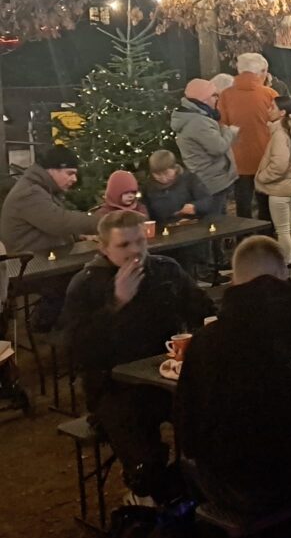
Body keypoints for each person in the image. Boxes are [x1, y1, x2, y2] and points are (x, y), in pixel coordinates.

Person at [177, 235, 291, 515]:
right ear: (284, 274)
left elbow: (189, 431)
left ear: (234, 280)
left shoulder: (209, 342)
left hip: (243, 485)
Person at [61, 210, 212, 504]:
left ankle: (203, 493)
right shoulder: (86, 285)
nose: (135, 252)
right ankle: (146, 494)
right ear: (104, 248)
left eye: (140, 242)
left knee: (212, 426)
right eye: (124, 245)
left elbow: (202, 309)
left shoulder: (165, 271)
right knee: (147, 463)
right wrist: (116, 303)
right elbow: (77, 349)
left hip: (165, 378)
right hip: (114, 387)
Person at [0, 145, 97, 253]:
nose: (74, 179)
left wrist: (78, 235)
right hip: (31, 261)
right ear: (51, 170)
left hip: (43, 256)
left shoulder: (42, 188)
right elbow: (59, 222)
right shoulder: (29, 193)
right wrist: (105, 223)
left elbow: (47, 224)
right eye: (69, 173)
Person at [218, 52, 278, 220]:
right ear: (261, 72)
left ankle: (244, 234)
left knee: (242, 203)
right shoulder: (270, 94)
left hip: (238, 158)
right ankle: (266, 233)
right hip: (265, 157)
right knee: (265, 204)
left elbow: (221, 125)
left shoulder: (225, 95)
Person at [171, 78, 239, 215]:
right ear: (204, 98)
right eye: (214, 95)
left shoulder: (193, 117)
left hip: (207, 178)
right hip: (212, 180)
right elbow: (218, 148)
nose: (217, 99)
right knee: (216, 220)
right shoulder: (198, 122)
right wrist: (229, 131)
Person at [255, 97, 291, 265]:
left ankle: (286, 263)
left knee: (282, 230)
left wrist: (262, 177)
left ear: (282, 112)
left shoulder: (280, 134)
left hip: (279, 189)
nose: (268, 110)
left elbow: (279, 164)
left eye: (272, 107)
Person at [141, 150, 213, 225]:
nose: (163, 178)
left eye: (166, 173)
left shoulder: (189, 179)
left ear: (174, 168)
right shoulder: (148, 187)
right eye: (157, 174)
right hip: (164, 228)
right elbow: (146, 213)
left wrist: (195, 207)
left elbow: (207, 200)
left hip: (193, 224)